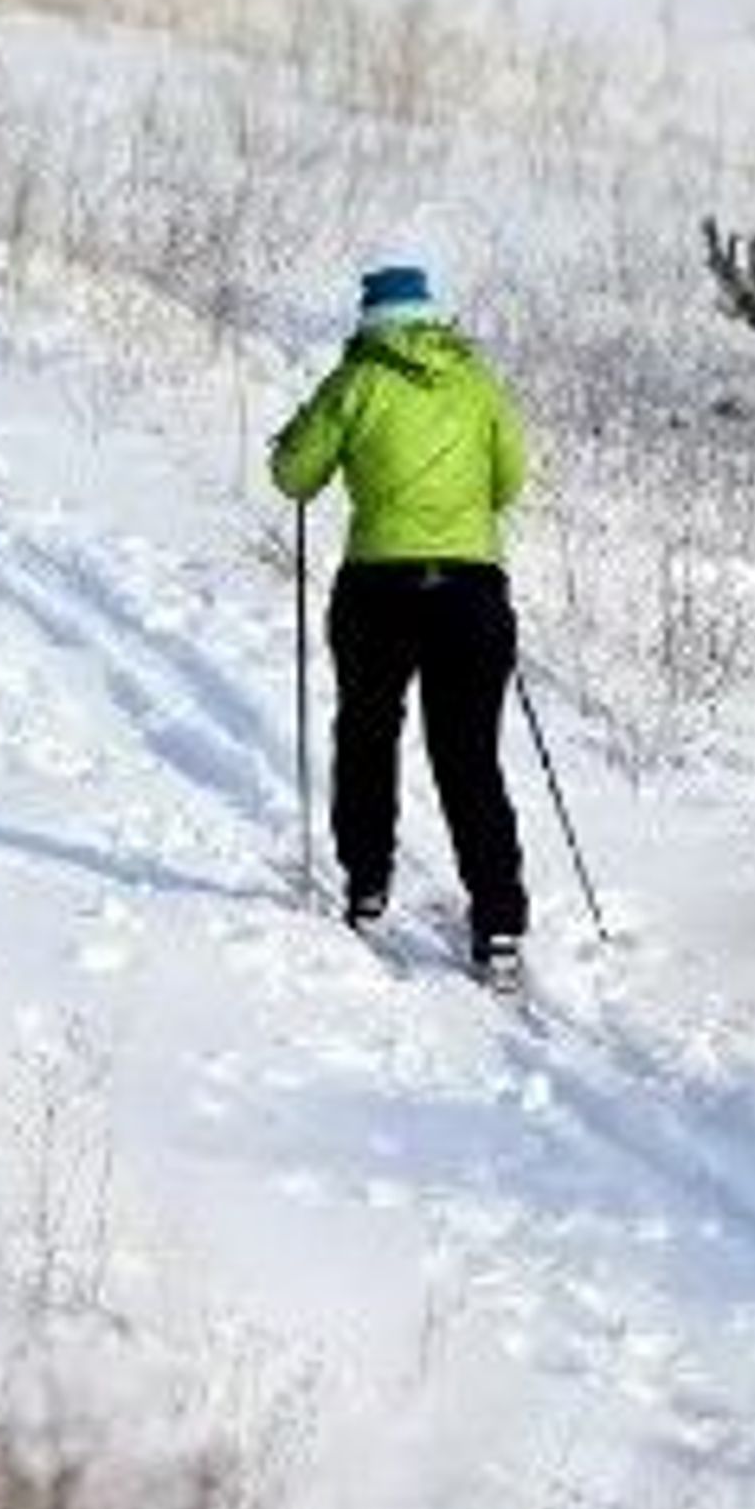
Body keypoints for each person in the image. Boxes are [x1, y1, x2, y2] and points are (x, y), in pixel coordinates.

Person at [269, 263, 532, 986]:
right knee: (469, 757)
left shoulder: (356, 380)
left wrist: (295, 432)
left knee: (368, 732)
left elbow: (295, 477)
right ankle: (500, 922)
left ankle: (367, 886)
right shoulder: (477, 382)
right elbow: (509, 482)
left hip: (379, 587)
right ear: (431, 316)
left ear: (369, 318)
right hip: (472, 589)